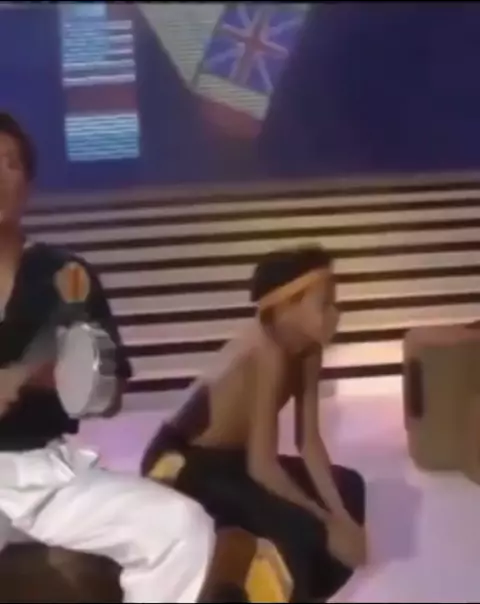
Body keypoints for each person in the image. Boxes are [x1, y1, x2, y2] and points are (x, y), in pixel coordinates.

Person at [0, 112, 215, 603]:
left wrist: (42, 376)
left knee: (179, 526)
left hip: (47, 474)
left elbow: (111, 394)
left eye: (10, 163)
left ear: (28, 184)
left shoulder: (67, 276)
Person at [141, 244, 367, 602]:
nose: (336, 314)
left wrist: (340, 515)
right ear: (286, 307)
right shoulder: (267, 353)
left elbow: (309, 443)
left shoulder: (309, 351)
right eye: (325, 304)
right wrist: (326, 520)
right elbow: (262, 466)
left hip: (234, 461)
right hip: (185, 461)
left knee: (350, 486)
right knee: (302, 530)